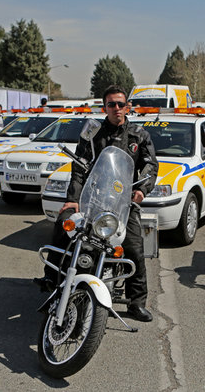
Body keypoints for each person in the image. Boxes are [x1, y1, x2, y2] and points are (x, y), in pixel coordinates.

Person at [36, 85, 159, 322]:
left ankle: (136, 303)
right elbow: (79, 167)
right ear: (105, 107)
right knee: (65, 225)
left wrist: (141, 190)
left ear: (128, 107)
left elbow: (151, 166)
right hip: (92, 198)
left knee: (133, 246)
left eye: (120, 104)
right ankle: (52, 279)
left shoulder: (139, 135)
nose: (116, 108)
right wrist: (73, 200)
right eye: (111, 104)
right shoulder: (92, 133)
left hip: (123, 203)